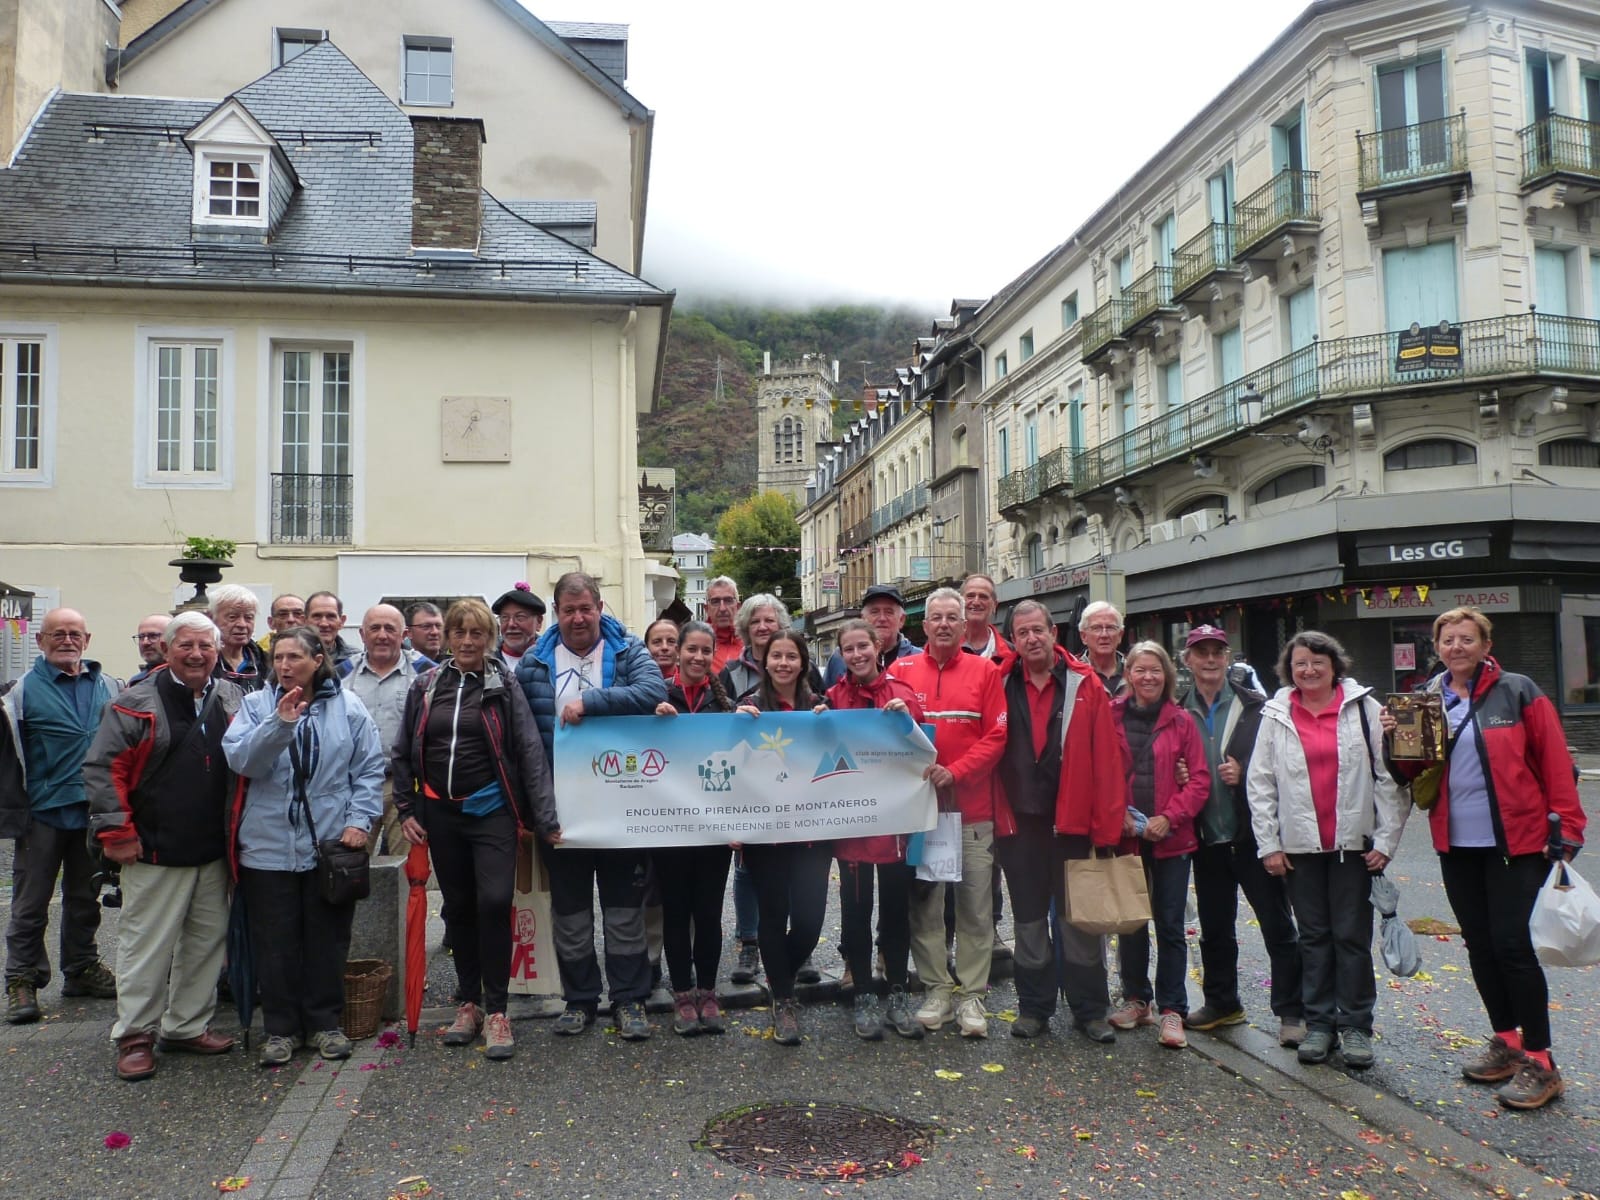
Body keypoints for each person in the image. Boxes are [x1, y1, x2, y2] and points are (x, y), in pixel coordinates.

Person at [1380, 607, 1584, 1110]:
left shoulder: (1518, 692)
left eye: (1467, 638)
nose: (1456, 647)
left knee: (1513, 947)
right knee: (1480, 946)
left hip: (1518, 842)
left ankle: (1542, 1060)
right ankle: (1507, 1042)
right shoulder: (1427, 698)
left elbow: (1555, 761)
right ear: (1437, 646)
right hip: (1456, 843)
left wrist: (1567, 827)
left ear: (1486, 645)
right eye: (1448, 639)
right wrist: (1393, 736)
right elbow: (1409, 773)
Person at [394, 598, 555, 1062]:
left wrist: (543, 818)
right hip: (440, 814)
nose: (468, 641)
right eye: (460, 632)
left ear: (490, 639)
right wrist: (406, 808)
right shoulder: (426, 685)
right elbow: (403, 751)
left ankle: (499, 1010)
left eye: (477, 633)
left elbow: (528, 750)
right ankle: (469, 1003)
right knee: (459, 907)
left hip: (491, 812)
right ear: (448, 637)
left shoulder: (504, 684)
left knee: (494, 901)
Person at [85, 612, 242, 1080]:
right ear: (167, 649)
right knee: (146, 946)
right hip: (153, 848)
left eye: (205, 646)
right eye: (186, 645)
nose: (196, 654)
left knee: (205, 944)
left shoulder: (230, 695)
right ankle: (135, 1035)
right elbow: (104, 769)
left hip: (213, 849)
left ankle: (186, 1026)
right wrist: (117, 833)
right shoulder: (135, 702)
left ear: (217, 651)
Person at [222, 626, 385, 1067]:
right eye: (277, 658)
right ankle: (280, 1029)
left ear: (317, 660)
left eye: (294, 657)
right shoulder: (256, 706)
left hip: (329, 844)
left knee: (327, 940)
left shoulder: (348, 706)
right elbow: (243, 762)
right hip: (267, 845)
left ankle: (325, 1023)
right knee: (275, 944)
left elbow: (369, 769)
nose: (284, 665)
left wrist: (359, 821)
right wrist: (280, 723)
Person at [515, 571, 667, 1040]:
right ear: (556, 613)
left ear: (600, 607)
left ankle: (629, 999)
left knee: (624, 910)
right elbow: (523, 743)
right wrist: (537, 813)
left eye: (586, 609)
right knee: (571, 913)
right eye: (569, 611)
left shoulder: (628, 650)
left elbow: (653, 692)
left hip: (619, 806)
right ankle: (579, 1000)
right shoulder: (532, 664)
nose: (578, 618)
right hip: (560, 811)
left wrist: (591, 701)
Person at [1247, 630, 1407, 1070]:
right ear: (1289, 669)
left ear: (1335, 666)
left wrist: (1386, 841)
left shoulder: (1363, 709)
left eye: (1318, 662)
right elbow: (1260, 783)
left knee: (1352, 938)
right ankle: (1319, 1024)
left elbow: (1389, 778)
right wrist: (1269, 845)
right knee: (1314, 939)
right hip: (1300, 849)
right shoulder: (1276, 713)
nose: (1309, 670)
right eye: (1300, 663)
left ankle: (1355, 1026)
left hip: (1353, 846)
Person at [993, 600, 1125, 1042]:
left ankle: (1090, 1011)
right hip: (1019, 827)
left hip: (1072, 825)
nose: (1031, 639)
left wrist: (1105, 830)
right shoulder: (999, 682)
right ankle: (1034, 1008)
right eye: (1022, 633)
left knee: (1079, 923)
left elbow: (1107, 759)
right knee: (1029, 922)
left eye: (1038, 630)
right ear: (1013, 640)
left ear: (1054, 633)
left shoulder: (1085, 684)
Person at [887, 587, 1007, 1037]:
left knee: (976, 907)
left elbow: (997, 737)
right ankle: (937, 990)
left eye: (951, 618)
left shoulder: (985, 671)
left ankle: (972, 995)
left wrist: (954, 772)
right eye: (935, 617)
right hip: (921, 816)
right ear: (924, 625)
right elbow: (881, 734)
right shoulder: (899, 671)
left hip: (972, 811)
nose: (943, 624)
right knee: (926, 907)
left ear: (963, 624)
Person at [1178, 625, 1303, 1046]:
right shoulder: (1177, 711)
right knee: (1215, 928)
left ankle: (1292, 1011)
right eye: (1202, 653)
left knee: (1277, 926)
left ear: (1228, 658)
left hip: (1253, 837)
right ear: (1188, 660)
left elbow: (1284, 764)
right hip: (1206, 838)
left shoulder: (1257, 707)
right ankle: (1222, 1003)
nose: (1210, 659)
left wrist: (1245, 772)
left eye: (1217, 652)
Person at [2, 608, 120, 1025]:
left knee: (86, 896)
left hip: (93, 811)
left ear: (87, 640)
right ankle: (22, 979)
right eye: (57, 634)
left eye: (74, 634)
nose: (67, 641)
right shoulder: (18, 692)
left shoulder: (111, 685)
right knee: (30, 902)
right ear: (40, 640)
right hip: (42, 812)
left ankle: (81, 967)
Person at [826, 619, 926, 1041]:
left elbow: (925, 749)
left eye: (862, 646)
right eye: (848, 649)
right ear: (841, 654)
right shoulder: (832, 698)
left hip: (894, 824)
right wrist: (817, 721)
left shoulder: (902, 693)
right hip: (852, 826)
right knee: (855, 913)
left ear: (878, 646)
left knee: (896, 914)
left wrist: (908, 720)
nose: (857, 655)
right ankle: (864, 994)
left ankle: (898, 992)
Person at [1106, 641, 1209, 1049]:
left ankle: (1172, 1008)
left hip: (1171, 838)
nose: (1147, 677)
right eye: (1140, 669)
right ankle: (1137, 999)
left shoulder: (1182, 721)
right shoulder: (1110, 716)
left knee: (1169, 925)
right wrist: (1118, 813)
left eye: (1155, 670)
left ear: (1166, 675)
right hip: (1127, 837)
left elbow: (1199, 780)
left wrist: (1170, 817)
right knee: (1131, 922)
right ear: (1128, 675)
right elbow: (1099, 769)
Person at [735, 630, 831, 1045]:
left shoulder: (821, 707)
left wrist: (832, 723)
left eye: (792, 656)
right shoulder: (749, 708)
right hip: (766, 833)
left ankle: (778, 978)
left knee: (810, 922)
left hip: (813, 832)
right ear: (765, 662)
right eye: (776, 656)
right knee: (772, 916)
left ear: (803, 663)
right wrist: (736, 727)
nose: (784, 663)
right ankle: (785, 1000)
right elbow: (732, 765)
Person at [716, 592, 807, 986]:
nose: (763, 626)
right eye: (755, 621)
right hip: (754, 796)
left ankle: (792, 952)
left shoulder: (805, 674)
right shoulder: (732, 672)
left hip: (798, 801)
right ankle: (750, 942)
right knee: (749, 874)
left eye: (770, 620)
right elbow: (721, 727)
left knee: (796, 884)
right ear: (745, 627)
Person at [651, 621, 736, 1035]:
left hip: (713, 830)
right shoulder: (658, 696)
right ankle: (682, 993)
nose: (698, 657)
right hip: (669, 828)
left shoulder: (725, 704)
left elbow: (743, 764)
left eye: (706, 651)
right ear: (678, 652)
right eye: (692, 650)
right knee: (675, 911)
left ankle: (708, 990)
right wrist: (652, 718)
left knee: (708, 913)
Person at [343, 604, 430, 858]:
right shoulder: (340, 676)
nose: (382, 635)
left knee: (408, 866)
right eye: (375, 628)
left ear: (404, 635)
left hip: (405, 785)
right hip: (354, 785)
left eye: (390, 629)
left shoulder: (427, 675)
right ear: (362, 634)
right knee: (350, 863)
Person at [822, 583, 921, 689]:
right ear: (863, 619)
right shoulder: (839, 658)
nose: (882, 618)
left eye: (889, 612)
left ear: (901, 620)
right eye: (875, 612)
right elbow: (826, 696)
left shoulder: (919, 659)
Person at [209, 584, 270, 693]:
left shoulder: (266, 663)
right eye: (232, 617)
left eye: (248, 617)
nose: (242, 624)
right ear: (212, 618)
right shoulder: (204, 662)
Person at [1078, 601, 1127, 698]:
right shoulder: (1073, 676)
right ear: (1084, 636)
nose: (1104, 635)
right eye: (1096, 628)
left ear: (1120, 635)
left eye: (1110, 628)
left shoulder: (1135, 672)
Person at [492, 585, 546, 672]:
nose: (511, 624)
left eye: (520, 617)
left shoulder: (551, 659)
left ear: (539, 622)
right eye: (505, 618)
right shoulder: (485, 661)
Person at [960, 574, 1010, 659]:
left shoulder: (1011, 654)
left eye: (983, 597)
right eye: (970, 596)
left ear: (994, 605)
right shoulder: (944, 649)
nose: (976, 602)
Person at [306, 591, 357, 672]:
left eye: (331, 616)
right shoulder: (290, 657)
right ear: (305, 621)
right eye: (317, 616)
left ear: (342, 621)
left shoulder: (355, 660)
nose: (324, 624)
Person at [704, 576, 744, 674]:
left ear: (738, 607)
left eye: (728, 600)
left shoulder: (751, 644)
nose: (722, 608)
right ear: (707, 609)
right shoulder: (697, 646)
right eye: (715, 602)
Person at [129, 614, 171, 684]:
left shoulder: (185, 677)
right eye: (141, 637)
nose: (145, 643)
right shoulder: (135, 682)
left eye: (153, 636)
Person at [643, 617, 680, 684]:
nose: (664, 647)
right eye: (657, 642)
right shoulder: (633, 681)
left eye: (671, 641)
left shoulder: (692, 682)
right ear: (646, 647)